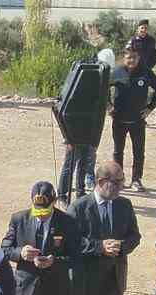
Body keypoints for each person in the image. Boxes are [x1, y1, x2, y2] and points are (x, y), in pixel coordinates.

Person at [71, 162, 142, 295]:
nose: (122, 186)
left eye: (123, 181)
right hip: (85, 282)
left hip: (113, 280)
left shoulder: (124, 205)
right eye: (117, 182)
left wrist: (121, 247)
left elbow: (134, 237)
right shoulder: (79, 207)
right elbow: (71, 243)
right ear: (101, 182)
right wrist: (99, 247)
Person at [59, 47, 110, 205]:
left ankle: (80, 192)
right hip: (76, 131)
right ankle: (63, 193)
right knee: (71, 163)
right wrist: (67, 137)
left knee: (83, 162)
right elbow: (68, 109)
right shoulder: (85, 79)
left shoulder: (95, 79)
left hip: (87, 130)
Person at [110, 47, 156, 192]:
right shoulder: (117, 72)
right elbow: (103, 88)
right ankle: (118, 179)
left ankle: (136, 180)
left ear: (138, 58)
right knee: (118, 151)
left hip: (138, 120)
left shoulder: (145, 72)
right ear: (124, 58)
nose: (131, 60)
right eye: (129, 57)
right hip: (119, 119)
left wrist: (150, 108)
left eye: (134, 57)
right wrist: (108, 106)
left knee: (138, 151)